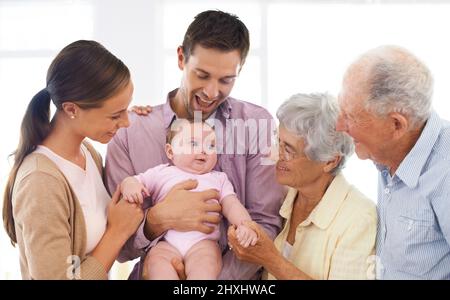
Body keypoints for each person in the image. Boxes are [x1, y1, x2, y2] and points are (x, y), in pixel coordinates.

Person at [105, 10, 285, 279]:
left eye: (226, 80)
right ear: (181, 58)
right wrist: (157, 220)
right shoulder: (131, 131)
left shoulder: (257, 124)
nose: (212, 92)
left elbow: (267, 224)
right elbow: (118, 245)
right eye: (202, 75)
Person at [2, 40, 144, 279]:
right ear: (71, 109)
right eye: (115, 115)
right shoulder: (40, 181)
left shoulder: (88, 153)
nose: (126, 122)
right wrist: (116, 233)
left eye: (126, 109)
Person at [228, 93, 377, 280]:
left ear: (329, 161)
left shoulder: (359, 218)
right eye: (277, 142)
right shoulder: (282, 193)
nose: (273, 153)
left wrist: (269, 258)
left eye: (288, 150)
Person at [336, 45, 450, 279]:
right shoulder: (390, 152)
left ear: (396, 125)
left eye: (351, 116)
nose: (339, 126)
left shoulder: (444, 171)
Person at [120, 120, 257, 279]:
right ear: (170, 152)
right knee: (156, 262)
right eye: (193, 143)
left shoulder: (219, 178)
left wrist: (245, 225)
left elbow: (232, 204)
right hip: (166, 243)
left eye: (211, 146)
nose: (203, 150)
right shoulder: (161, 173)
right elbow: (132, 180)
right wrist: (130, 186)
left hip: (203, 244)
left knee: (207, 265)